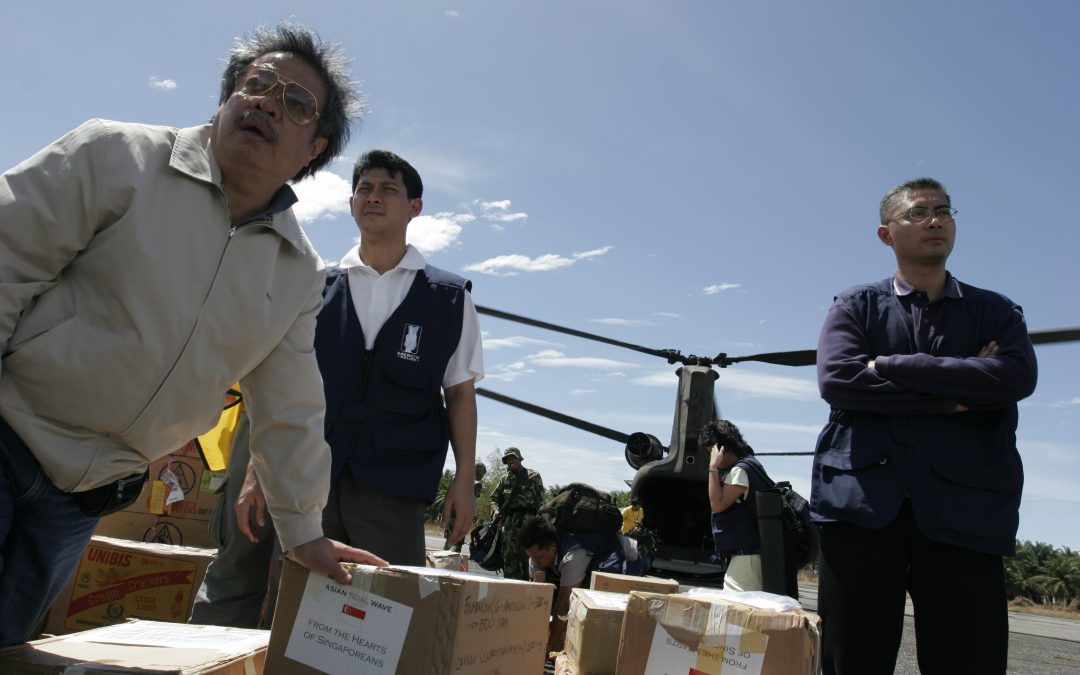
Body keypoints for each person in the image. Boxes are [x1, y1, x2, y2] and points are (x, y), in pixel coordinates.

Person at [0, 22, 387, 646]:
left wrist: (302, 530)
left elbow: (288, 405)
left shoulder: (296, 270)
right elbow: (6, 257)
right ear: (227, 97)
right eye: (256, 84)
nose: (266, 102)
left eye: (295, 103)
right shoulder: (115, 156)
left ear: (314, 148)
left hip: (84, 498)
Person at [811, 177, 1037, 674]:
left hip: (966, 513)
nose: (935, 219)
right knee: (851, 660)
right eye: (917, 212)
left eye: (944, 210)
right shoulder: (853, 306)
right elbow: (840, 381)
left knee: (968, 661)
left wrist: (892, 366)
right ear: (885, 234)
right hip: (863, 508)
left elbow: (1015, 376)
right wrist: (951, 398)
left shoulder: (996, 312)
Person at [237, 150, 483, 566]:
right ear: (350, 203)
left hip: (395, 486)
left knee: (385, 613)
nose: (373, 197)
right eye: (364, 189)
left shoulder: (451, 299)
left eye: (389, 189)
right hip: (309, 482)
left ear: (415, 207)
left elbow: (459, 394)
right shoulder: (316, 288)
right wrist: (255, 469)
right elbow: (280, 386)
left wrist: (464, 481)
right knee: (299, 611)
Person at [520, 515, 641, 651]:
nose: (535, 562)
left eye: (539, 557)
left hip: (627, 558)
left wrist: (547, 646)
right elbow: (536, 600)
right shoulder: (537, 556)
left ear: (553, 548)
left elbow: (564, 605)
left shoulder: (573, 556)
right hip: (590, 561)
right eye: (531, 557)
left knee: (598, 606)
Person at [700, 419, 772, 593]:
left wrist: (713, 467)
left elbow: (717, 504)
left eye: (711, 452)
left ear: (721, 448)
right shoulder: (751, 464)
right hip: (749, 555)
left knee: (736, 606)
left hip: (746, 557)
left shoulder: (740, 471)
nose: (710, 456)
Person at [490, 447, 544, 579]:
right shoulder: (505, 479)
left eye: (513, 458)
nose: (510, 461)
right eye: (508, 459)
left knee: (528, 554)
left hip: (529, 522)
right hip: (509, 523)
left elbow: (541, 500)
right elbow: (494, 499)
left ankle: (528, 583)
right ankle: (509, 583)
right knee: (509, 554)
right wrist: (496, 510)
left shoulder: (533, 476)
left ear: (519, 458)